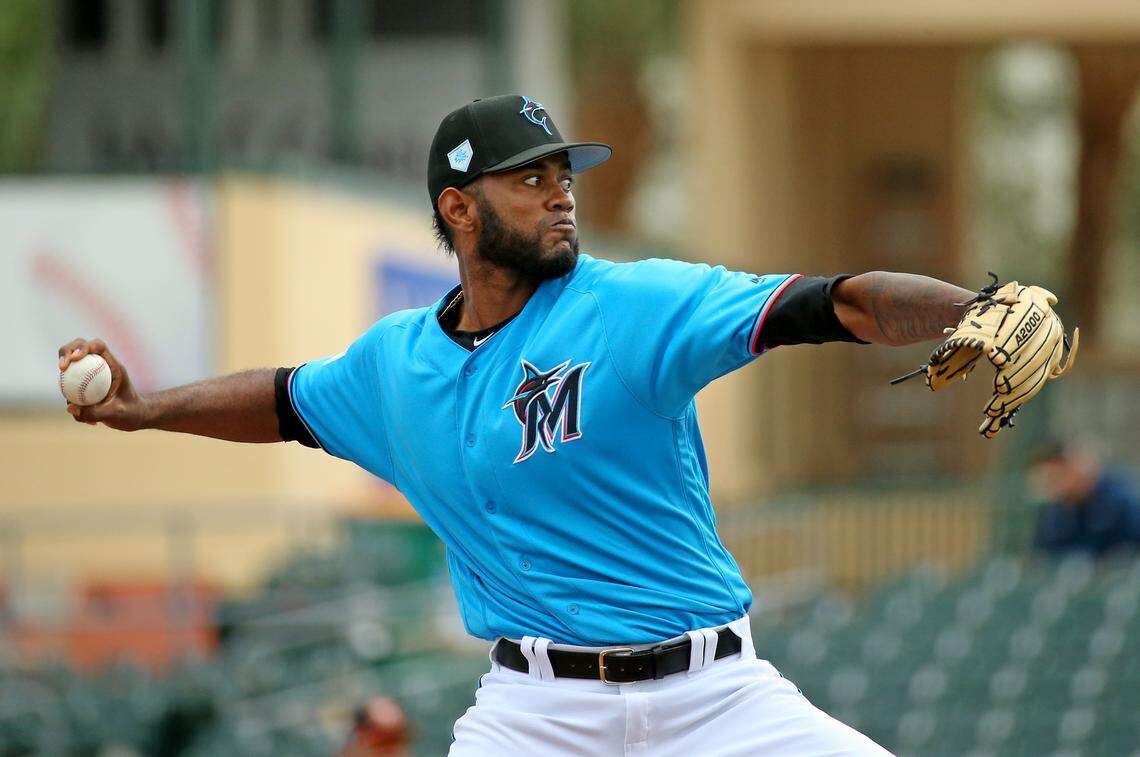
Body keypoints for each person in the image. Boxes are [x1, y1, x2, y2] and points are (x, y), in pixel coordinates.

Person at [58, 94, 1067, 755]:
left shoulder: (632, 305)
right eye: (528, 178)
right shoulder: (392, 365)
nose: (559, 196)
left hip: (716, 700)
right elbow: (280, 401)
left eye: (563, 175)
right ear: (458, 209)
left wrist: (969, 309)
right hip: (537, 715)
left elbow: (826, 302)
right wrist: (145, 410)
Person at [1031, 440, 1140, 558]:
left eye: (1054, 478)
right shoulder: (1055, 517)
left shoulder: (1120, 501)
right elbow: (1043, 555)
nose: (1052, 489)